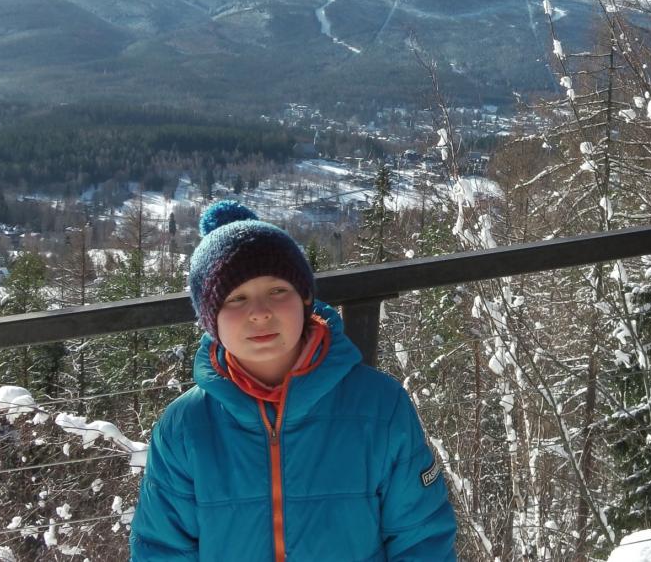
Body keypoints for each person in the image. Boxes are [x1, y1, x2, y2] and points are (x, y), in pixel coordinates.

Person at [130, 200, 457, 561]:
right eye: (236, 298)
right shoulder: (185, 427)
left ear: (304, 299)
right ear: (211, 320)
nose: (260, 312)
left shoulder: (380, 406)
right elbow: (161, 550)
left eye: (277, 291)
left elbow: (421, 538)